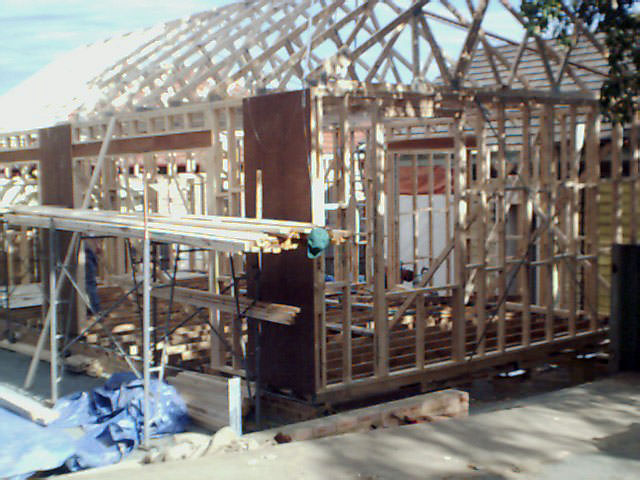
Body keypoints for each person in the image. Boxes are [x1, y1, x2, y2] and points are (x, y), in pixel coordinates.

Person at [84, 237, 101, 314]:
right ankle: (95, 308)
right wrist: (97, 245)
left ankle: (94, 308)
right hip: (86, 252)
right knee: (90, 283)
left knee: (89, 283)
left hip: (87, 252)